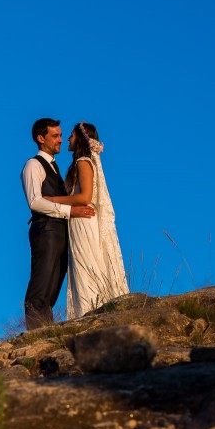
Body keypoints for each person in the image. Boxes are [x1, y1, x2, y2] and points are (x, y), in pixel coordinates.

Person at [22, 118, 97, 330]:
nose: (61, 140)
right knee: (41, 287)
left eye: (61, 135)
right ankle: (35, 336)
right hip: (45, 230)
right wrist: (70, 211)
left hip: (61, 232)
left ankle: (45, 332)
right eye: (55, 136)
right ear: (40, 138)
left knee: (52, 290)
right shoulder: (33, 165)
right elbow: (35, 202)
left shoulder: (55, 168)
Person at [62, 121, 129, 318]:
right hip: (80, 221)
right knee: (87, 265)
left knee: (85, 266)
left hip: (83, 222)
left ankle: (87, 313)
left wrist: (52, 200)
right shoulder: (85, 161)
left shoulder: (83, 161)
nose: (68, 138)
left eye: (72, 135)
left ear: (81, 138)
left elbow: (85, 197)